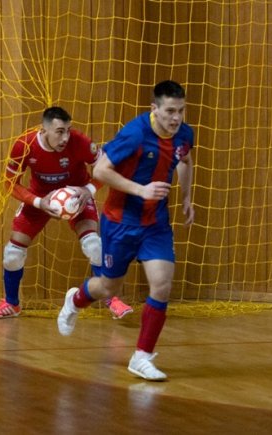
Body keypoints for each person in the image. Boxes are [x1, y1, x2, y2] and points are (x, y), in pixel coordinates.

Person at [56, 80, 195, 381]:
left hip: (156, 224)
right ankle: (75, 300)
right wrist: (141, 190)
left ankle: (142, 357)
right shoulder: (135, 133)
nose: (176, 118)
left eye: (181, 111)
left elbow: (184, 159)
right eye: (170, 111)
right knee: (108, 288)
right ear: (154, 109)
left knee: (162, 284)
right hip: (120, 222)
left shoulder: (184, 134)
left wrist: (186, 197)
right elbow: (100, 170)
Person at [0, 106, 133, 320]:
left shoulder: (80, 142)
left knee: (94, 246)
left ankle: (112, 300)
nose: (65, 137)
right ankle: (11, 303)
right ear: (44, 130)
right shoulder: (24, 144)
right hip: (40, 198)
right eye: (59, 131)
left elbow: (106, 168)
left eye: (68, 130)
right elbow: (10, 182)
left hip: (77, 196)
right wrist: (38, 202)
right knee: (12, 254)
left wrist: (88, 190)